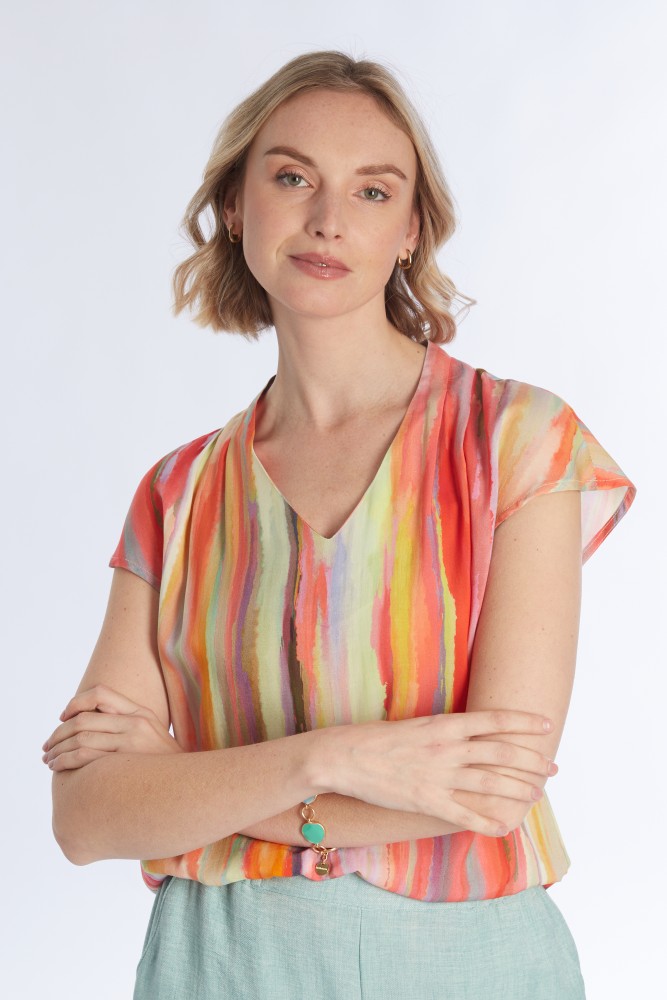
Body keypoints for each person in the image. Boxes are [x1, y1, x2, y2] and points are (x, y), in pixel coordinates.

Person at [43, 50, 635, 999]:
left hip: (468, 965)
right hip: (215, 962)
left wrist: (188, 784)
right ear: (235, 206)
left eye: (371, 191)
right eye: (291, 178)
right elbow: (86, 817)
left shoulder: (516, 440)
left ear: (410, 230)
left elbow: (491, 788)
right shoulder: (178, 493)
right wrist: (331, 761)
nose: (327, 219)